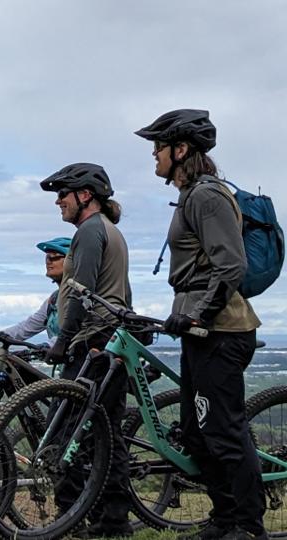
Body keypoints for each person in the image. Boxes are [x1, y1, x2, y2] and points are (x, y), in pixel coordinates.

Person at [136, 109, 266, 540]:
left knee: (224, 432)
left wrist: (198, 313)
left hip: (222, 331)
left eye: (158, 147)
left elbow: (230, 265)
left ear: (181, 149)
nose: (153, 155)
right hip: (201, 331)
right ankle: (225, 518)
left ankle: (248, 526)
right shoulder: (191, 195)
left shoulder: (207, 196)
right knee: (195, 433)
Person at [40, 163, 134, 538]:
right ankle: (108, 518)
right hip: (107, 340)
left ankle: (85, 517)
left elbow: (83, 291)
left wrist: (64, 339)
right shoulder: (109, 231)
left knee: (77, 430)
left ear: (85, 196)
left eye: (63, 194)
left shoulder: (92, 231)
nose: (58, 201)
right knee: (103, 432)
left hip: (94, 341)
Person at [1, 237, 71, 345]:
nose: (48, 262)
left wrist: (48, 345)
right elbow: (26, 327)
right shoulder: (53, 300)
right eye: (47, 258)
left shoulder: (81, 296)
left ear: (71, 261)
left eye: (54, 257)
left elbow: (77, 331)